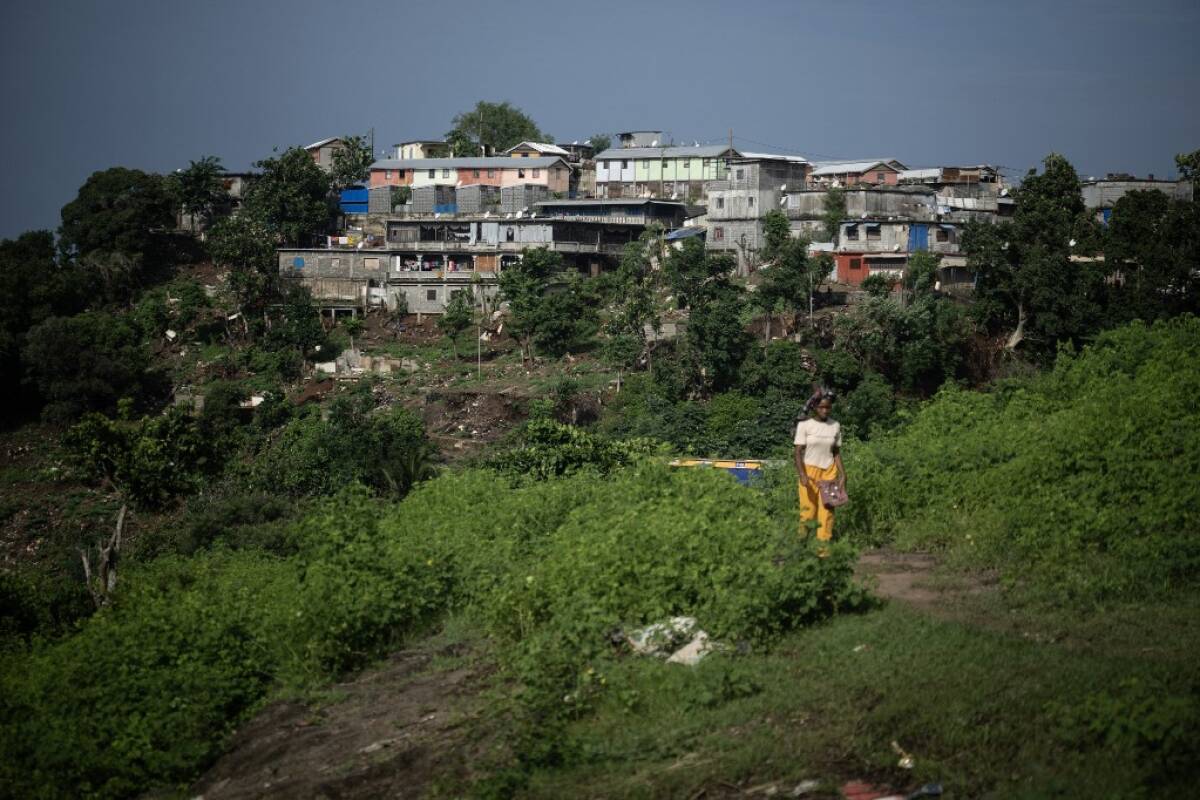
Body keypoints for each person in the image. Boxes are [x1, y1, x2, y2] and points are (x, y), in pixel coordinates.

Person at [794, 389, 846, 552]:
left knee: (827, 513)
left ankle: (823, 552)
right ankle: (801, 549)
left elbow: (836, 452)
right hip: (809, 473)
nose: (825, 410)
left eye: (828, 408)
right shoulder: (805, 425)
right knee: (808, 514)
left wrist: (843, 474)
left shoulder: (835, 426)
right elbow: (797, 452)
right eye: (822, 407)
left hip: (829, 473)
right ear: (815, 407)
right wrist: (802, 474)